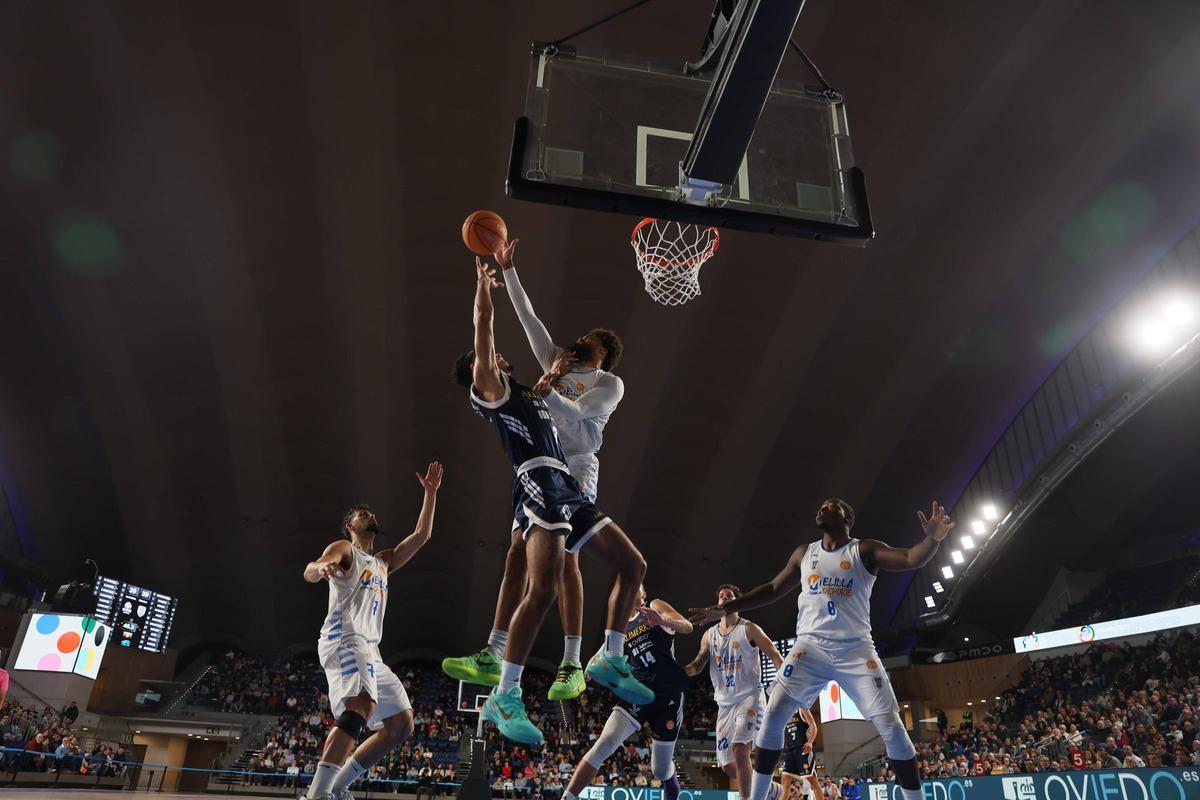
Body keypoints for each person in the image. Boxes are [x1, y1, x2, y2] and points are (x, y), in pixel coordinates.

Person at [450, 257, 650, 744]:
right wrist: (500, 280)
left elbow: (577, 409)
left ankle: (596, 656)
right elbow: (519, 321)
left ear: (604, 354)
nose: (580, 343)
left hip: (574, 469)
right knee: (540, 576)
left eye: (592, 344)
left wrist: (547, 385)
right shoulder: (503, 388)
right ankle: (511, 677)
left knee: (623, 565)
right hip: (541, 475)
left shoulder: (599, 383)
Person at [689, 498, 955, 800]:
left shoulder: (863, 549)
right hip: (809, 648)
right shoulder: (805, 553)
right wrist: (726, 608)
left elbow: (910, 558)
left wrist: (932, 539)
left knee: (892, 726)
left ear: (846, 517)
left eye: (830, 505)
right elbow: (774, 589)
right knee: (774, 714)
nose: (821, 507)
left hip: (855, 650)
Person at [300, 462, 444, 800]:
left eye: (371, 512)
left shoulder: (383, 561)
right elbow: (310, 568)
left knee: (400, 724)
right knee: (360, 706)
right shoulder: (345, 549)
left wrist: (430, 493)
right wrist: (320, 568)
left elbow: (422, 536)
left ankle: (338, 786)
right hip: (345, 640)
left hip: (370, 650)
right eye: (364, 514)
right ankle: (316, 795)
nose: (371, 515)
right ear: (351, 525)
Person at [560, 585, 692, 800]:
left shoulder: (655, 606)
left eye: (635, 585)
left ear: (644, 593)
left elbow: (687, 627)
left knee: (659, 769)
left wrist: (662, 621)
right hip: (637, 694)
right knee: (604, 743)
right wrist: (585, 673)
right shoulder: (619, 626)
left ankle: (672, 785)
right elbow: (597, 659)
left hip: (667, 696)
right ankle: (568, 797)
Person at [684, 584, 784, 800]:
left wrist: (785, 682)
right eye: (721, 596)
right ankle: (771, 790)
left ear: (738, 601)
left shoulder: (749, 628)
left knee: (740, 749)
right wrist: (680, 673)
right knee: (730, 767)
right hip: (725, 704)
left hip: (750, 697)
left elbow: (774, 653)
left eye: (729, 595)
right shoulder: (709, 635)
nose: (724, 598)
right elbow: (698, 664)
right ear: (717, 603)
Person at [780, 708, 821, 800]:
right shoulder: (786, 713)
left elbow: (813, 726)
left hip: (803, 749)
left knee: (812, 779)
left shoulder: (802, 709)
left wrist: (810, 742)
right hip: (790, 750)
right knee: (784, 779)